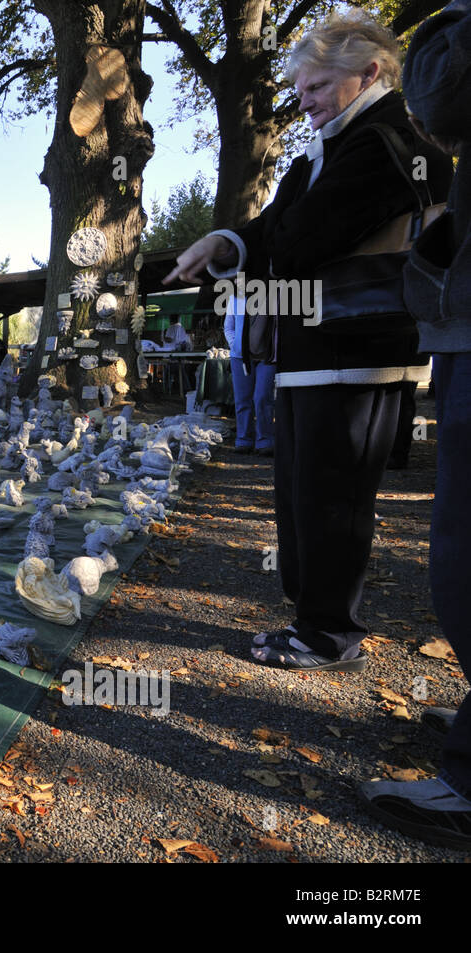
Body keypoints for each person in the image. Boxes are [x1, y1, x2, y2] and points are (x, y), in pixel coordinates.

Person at [165, 11, 452, 672]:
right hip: (314, 351)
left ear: (370, 72)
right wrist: (226, 240)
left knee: (334, 499)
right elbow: (271, 230)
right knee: (302, 496)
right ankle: (312, 619)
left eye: (318, 85)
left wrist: (264, 242)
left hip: (358, 353)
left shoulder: (387, 144)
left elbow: (295, 242)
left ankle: (329, 633)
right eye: (301, 89)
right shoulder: (334, 149)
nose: (305, 100)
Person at [359, 0, 471, 851]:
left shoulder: (398, 124)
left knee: (462, 554)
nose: (307, 102)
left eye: (319, 85)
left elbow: (440, 92)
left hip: (394, 342)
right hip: (451, 326)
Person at [223, 295, 276, 455]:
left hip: (267, 356)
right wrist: (236, 345)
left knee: (262, 397)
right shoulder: (236, 298)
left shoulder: (273, 296)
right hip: (240, 356)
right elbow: (228, 327)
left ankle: (265, 440)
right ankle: (244, 439)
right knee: (242, 399)